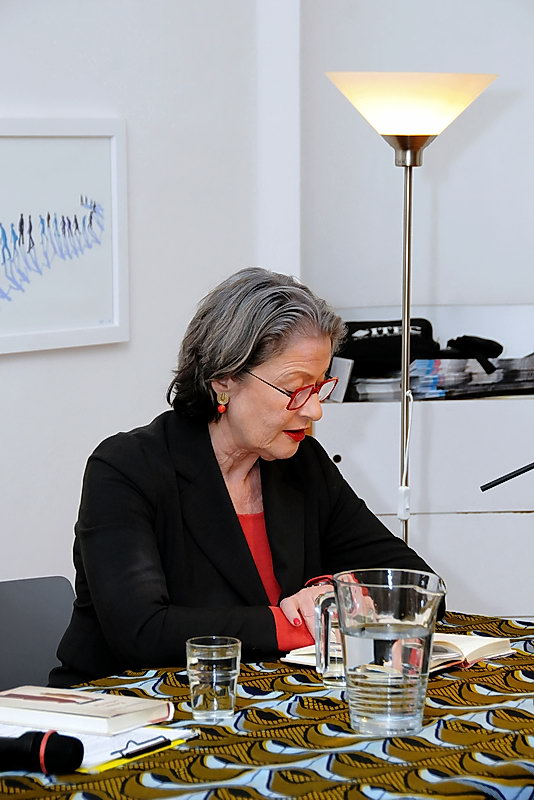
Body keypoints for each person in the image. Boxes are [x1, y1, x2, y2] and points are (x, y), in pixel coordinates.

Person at [50, 268, 442, 687]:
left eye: (320, 387)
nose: (314, 411)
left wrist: (330, 596)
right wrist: (298, 624)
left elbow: (418, 588)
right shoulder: (127, 468)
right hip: (122, 705)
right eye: (295, 388)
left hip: (259, 699)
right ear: (224, 378)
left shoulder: (301, 462)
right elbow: (142, 632)